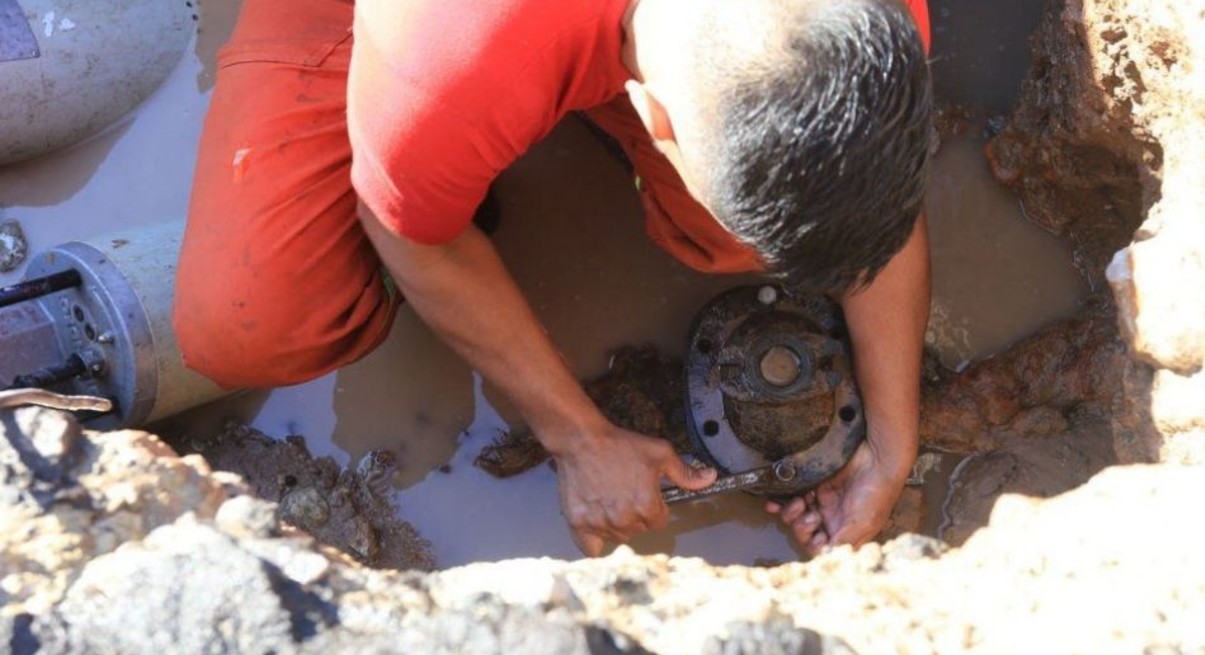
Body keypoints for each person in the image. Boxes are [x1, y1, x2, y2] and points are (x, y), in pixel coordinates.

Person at [174, 0, 933, 557]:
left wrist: (893, 449)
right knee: (252, 320)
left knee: (750, 230)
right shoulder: (446, 44)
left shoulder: (860, 25)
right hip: (442, 40)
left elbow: (870, 189)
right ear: (655, 116)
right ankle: (456, 147)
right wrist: (577, 437)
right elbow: (405, 232)